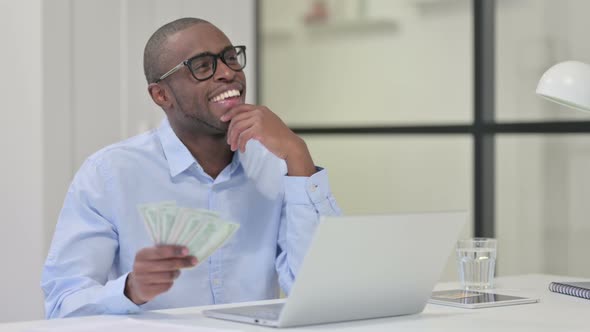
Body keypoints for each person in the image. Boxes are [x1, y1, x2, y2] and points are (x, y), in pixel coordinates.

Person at [41, 17, 341, 319]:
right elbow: (62, 304)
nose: (227, 73)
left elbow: (322, 289)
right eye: (202, 66)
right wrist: (131, 289)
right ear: (161, 95)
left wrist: (297, 152)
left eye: (230, 58)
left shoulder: (278, 165)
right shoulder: (108, 174)